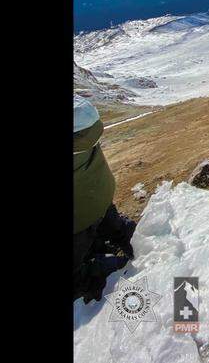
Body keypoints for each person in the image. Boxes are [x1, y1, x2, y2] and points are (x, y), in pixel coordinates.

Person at [73, 95, 137, 303]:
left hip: (78, 220)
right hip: (101, 197)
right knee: (109, 223)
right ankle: (121, 234)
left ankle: (101, 269)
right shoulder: (86, 118)